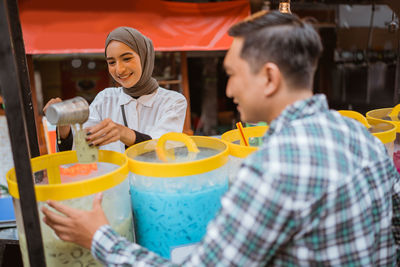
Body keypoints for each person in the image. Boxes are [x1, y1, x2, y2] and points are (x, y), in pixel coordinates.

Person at [42, 11, 400, 266]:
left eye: (231, 74)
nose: (228, 89)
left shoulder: (272, 168)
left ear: (270, 78)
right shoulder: (360, 134)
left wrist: (99, 238)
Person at [43, 27, 187, 153]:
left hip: (152, 183)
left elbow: (164, 148)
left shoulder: (173, 102)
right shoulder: (105, 99)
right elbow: (82, 148)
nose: (119, 70)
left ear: (144, 57)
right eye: (111, 62)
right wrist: (64, 126)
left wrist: (124, 133)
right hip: (114, 183)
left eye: (127, 59)